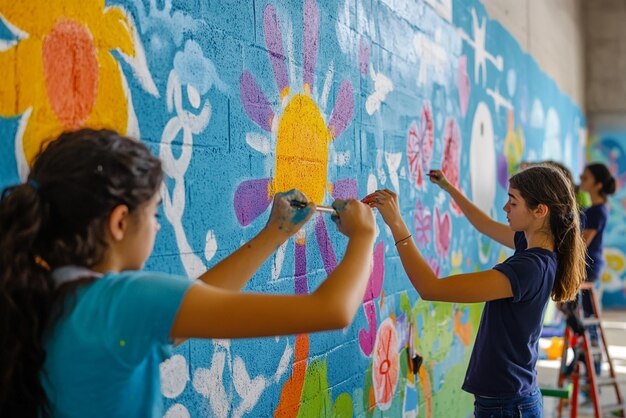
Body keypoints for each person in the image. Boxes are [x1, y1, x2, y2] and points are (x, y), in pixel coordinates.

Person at [0, 129, 376, 418]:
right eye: (155, 214)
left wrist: (273, 234)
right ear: (119, 222)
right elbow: (332, 310)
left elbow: (191, 308)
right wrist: (364, 236)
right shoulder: (123, 301)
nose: (158, 227)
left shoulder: (39, 297)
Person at [368, 165, 586, 418]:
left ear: (540, 211)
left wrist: (396, 222)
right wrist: (449, 188)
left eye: (513, 202)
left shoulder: (528, 268)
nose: (506, 208)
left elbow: (431, 288)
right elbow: (484, 225)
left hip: (507, 405)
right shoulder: (536, 249)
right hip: (510, 399)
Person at [577, 162, 617, 375]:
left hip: (588, 266)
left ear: (598, 184)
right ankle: (588, 367)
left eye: (585, 178)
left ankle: (595, 370)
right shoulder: (597, 209)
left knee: (586, 318)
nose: (581, 180)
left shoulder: (596, 211)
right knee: (583, 315)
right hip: (590, 264)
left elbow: (583, 242)